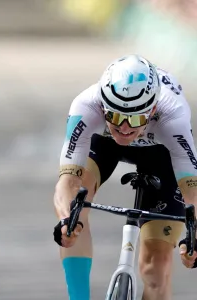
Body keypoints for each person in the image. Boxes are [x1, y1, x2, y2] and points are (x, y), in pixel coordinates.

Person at [53, 54, 197, 300]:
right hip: (104, 143)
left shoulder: (173, 116)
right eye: (116, 116)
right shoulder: (86, 105)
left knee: (156, 267)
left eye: (135, 119)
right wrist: (67, 219)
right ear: (103, 106)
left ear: (152, 110)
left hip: (161, 152)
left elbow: (192, 189)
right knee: (77, 210)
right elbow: (67, 181)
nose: (125, 128)